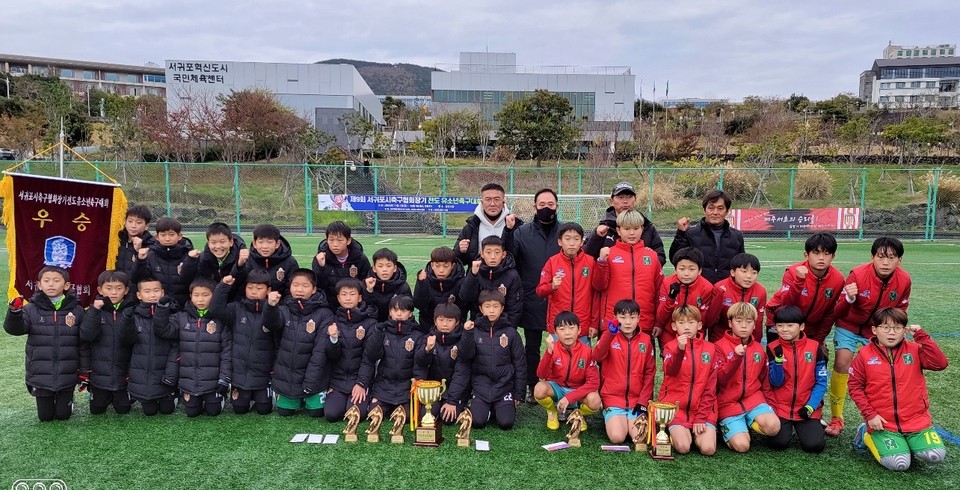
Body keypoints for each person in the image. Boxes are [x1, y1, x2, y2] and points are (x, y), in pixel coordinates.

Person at [826, 237, 911, 437]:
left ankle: (883, 417)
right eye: (881, 257)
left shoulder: (904, 280)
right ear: (872, 257)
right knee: (842, 363)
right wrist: (849, 298)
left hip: (878, 329)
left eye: (891, 257)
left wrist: (892, 331)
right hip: (849, 325)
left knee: (881, 369)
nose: (885, 262)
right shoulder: (858, 274)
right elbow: (838, 311)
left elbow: (901, 311)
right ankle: (837, 418)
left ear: (900, 260)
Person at [849, 307, 948, 471]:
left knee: (935, 455)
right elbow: (854, 386)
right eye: (885, 328)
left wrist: (921, 336)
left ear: (904, 330)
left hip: (916, 420)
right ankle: (865, 434)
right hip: (882, 423)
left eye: (897, 328)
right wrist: (870, 415)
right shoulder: (864, 355)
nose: (891, 333)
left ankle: (907, 442)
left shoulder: (915, 350)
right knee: (899, 464)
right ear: (875, 330)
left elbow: (940, 364)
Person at [4, 266, 86, 421]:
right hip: (40, 373)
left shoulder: (76, 310)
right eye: (46, 281)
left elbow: (83, 343)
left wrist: (83, 371)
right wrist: (14, 313)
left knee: (63, 416)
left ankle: (68, 402)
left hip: (66, 373)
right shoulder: (31, 309)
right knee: (45, 417)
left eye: (56, 281)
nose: (51, 284)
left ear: (66, 285)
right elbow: (16, 329)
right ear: (39, 285)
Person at [506, 189, 561, 403]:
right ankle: (531, 384)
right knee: (531, 346)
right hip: (531, 298)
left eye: (550, 203)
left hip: (560, 299)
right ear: (534, 207)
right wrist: (509, 232)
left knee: (561, 345)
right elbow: (510, 257)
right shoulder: (522, 232)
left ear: (557, 206)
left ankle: (559, 386)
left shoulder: (565, 232)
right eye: (542, 204)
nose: (546, 208)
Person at [156, 277, 232, 417]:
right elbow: (164, 330)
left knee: (213, 412)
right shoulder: (181, 317)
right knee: (191, 413)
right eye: (196, 295)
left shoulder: (220, 319)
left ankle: (218, 399)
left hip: (213, 381)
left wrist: (224, 378)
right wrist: (161, 308)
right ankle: (188, 396)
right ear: (190, 296)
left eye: (205, 295)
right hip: (189, 380)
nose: (200, 300)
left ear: (214, 296)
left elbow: (226, 352)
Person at [212, 270, 281, 415]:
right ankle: (244, 396)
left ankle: (266, 393)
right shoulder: (237, 308)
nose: (254, 292)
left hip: (262, 374)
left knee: (264, 409)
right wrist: (223, 286)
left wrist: (271, 306)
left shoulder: (274, 309)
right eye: (250, 288)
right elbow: (216, 310)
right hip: (240, 373)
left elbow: (275, 324)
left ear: (268, 290)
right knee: (239, 410)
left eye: (259, 288)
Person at [714, 302, 780, 452]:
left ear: (754, 325)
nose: (744, 326)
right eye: (739, 321)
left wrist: (772, 407)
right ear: (730, 323)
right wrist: (735, 358)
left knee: (774, 427)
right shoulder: (718, 347)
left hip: (753, 400)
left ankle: (748, 423)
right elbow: (719, 380)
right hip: (728, 403)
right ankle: (731, 428)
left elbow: (764, 382)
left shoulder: (758, 349)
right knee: (742, 446)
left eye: (749, 322)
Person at [764, 305, 828, 453]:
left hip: (806, 407)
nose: (784, 329)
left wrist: (810, 406)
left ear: (802, 326)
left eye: (790, 325)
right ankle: (784, 424)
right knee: (777, 443)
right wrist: (778, 361)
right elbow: (775, 382)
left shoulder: (815, 347)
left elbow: (821, 382)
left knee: (814, 446)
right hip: (781, 407)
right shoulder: (773, 348)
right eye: (780, 325)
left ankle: (815, 423)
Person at [354, 295, 429, 419]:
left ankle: (403, 404)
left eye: (403, 310)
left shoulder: (418, 335)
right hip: (383, 388)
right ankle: (380, 401)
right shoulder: (382, 331)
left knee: (407, 417)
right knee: (374, 416)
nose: (399, 314)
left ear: (410, 313)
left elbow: (420, 364)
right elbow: (370, 356)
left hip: (406, 389)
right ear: (390, 312)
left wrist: (417, 384)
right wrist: (377, 334)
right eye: (395, 310)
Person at [272, 269, 334, 417]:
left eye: (305, 286)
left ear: (313, 289)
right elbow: (270, 325)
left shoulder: (324, 314)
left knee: (316, 412)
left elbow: (319, 354)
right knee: (285, 412)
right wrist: (270, 306)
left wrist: (310, 384)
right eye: (296, 285)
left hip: (313, 379)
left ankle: (312, 394)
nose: (299, 289)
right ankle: (292, 396)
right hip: (288, 377)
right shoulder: (283, 309)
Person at [592, 300, 656, 444]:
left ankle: (629, 420)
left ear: (639, 318)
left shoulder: (646, 340)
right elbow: (596, 356)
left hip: (636, 401)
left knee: (639, 439)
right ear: (615, 317)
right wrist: (609, 334)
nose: (627, 322)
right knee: (617, 437)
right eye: (622, 317)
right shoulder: (608, 336)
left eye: (632, 317)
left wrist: (643, 403)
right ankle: (614, 418)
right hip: (613, 399)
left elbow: (649, 374)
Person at [659, 306, 719, 456]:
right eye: (681, 323)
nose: (686, 327)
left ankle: (696, 432)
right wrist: (679, 349)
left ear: (699, 325)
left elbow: (711, 387)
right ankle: (678, 433)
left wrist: (701, 417)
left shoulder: (710, 349)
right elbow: (670, 370)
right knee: (683, 447)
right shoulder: (669, 347)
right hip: (676, 409)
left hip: (702, 410)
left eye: (691, 323)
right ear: (674, 326)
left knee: (708, 449)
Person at [593, 210, 663, 338]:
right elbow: (598, 287)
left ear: (642, 229)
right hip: (613, 324)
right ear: (618, 230)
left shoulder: (652, 257)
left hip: (644, 323)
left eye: (636, 228)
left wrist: (658, 322)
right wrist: (601, 261)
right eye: (627, 229)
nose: (632, 233)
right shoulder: (609, 254)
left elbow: (659, 292)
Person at [765, 232, 844, 344]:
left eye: (826, 253)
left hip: (810, 326)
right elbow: (786, 303)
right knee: (779, 358)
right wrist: (798, 281)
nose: (821, 258)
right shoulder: (792, 272)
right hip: (781, 321)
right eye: (816, 253)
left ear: (833, 256)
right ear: (806, 255)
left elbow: (830, 313)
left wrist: (819, 340)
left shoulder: (838, 279)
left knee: (816, 358)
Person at [79, 270, 137, 415]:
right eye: (108, 288)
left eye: (118, 288)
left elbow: (132, 340)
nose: (114, 292)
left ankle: (125, 396)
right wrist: (94, 311)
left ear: (126, 290)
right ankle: (97, 394)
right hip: (99, 374)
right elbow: (87, 336)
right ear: (100, 290)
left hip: (123, 373)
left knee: (123, 409)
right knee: (97, 410)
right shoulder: (93, 311)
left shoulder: (131, 311)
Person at [467, 290, 526, 430]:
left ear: (502, 308)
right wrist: (466, 335)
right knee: (477, 423)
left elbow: (520, 364)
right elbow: (465, 359)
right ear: (481, 308)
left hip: (504, 387)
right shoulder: (474, 331)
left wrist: (519, 393)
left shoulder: (511, 333)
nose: (492, 310)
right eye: (487, 306)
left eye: (496, 306)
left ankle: (498, 408)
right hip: (481, 387)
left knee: (506, 423)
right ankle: (485, 408)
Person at [323, 278, 380, 423]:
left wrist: (362, 384)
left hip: (359, 380)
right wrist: (333, 339)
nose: (348, 298)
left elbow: (369, 358)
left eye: (352, 294)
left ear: (360, 297)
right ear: (338, 298)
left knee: (355, 415)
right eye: (344, 294)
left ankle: (365, 395)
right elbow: (330, 356)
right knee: (331, 414)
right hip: (338, 382)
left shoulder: (370, 323)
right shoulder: (332, 321)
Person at [533, 311, 601, 431]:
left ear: (579, 330)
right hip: (558, 389)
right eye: (562, 329)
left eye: (571, 328)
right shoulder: (553, 349)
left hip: (578, 391)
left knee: (595, 400)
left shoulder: (587, 352)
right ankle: (552, 411)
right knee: (539, 389)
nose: (567, 333)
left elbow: (594, 383)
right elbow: (541, 374)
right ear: (555, 333)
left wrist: (569, 398)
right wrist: (549, 352)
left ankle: (578, 413)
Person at [126, 277, 180, 416]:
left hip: (165, 373)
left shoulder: (173, 314)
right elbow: (125, 342)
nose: (152, 295)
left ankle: (172, 396)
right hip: (142, 373)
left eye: (156, 291)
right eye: (147, 291)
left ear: (162, 292)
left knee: (167, 410)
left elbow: (176, 345)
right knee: (149, 412)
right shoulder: (134, 315)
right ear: (139, 295)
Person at [536, 222, 597, 344]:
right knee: (558, 361)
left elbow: (596, 295)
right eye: (567, 239)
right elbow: (540, 290)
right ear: (560, 242)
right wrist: (552, 286)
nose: (572, 243)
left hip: (582, 325)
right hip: (559, 325)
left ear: (582, 241)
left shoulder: (590, 262)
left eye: (576, 239)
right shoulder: (552, 262)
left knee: (582, 361)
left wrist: (594, 323)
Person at [669, 189, 745, 284]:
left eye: (720, 208)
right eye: (711, 208)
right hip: (699, 290)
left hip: (726, 291)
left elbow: (741, 265)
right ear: (704, 210)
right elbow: (675, 259)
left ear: (727, 211)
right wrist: (680, 234)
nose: (715, 212)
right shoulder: (691, 234)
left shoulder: (737, 236)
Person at [583, 181, 666, 265]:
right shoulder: (603, 229)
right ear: (611, 201)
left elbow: (660, 256)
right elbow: (586, 257)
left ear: (635, 199)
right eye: (620, 197)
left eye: (629, 197)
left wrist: (651, 260)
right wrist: (597, 237)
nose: (625, 201)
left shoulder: (647, 226)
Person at [424, 299, 475, 423]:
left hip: (456, 392)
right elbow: (421, 365)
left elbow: (462, 373)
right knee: (426, 415)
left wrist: (452, 401)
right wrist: (426, 351)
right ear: (435, 321)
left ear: (457, 322)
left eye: (449, 320)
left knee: (448, 419)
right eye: (441, 320)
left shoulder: (463, 341)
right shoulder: (428, 339)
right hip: (435, 390)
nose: (445, 324)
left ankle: (463, 405)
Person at [655, 247, 714, 349]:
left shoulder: (706, 287)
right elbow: (661, 316)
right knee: (671, 362)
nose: (686, 273)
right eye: (682, 269)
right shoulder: (667, 283)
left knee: (693, 363)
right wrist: (671, 298)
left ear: (699, 271)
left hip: (693, 334)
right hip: (669, 332)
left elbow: (703, 319)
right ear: (675, 269)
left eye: (692, 269)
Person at [134, 217, 199, 308]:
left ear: (179, 236)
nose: (167, 239)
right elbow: (139, 279)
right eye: (163, 235)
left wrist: (190, 261)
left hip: (183, 306)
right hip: (157, 306)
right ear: (157, 237)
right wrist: (140, 260)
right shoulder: (150, 255)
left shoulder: (189, 255)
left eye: (171, 235)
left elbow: (193, 280)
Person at [460, 236, 523, 325]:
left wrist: (509, 329)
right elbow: (466, 297)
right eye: (488, 252)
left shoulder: (512, 275)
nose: (493, 257)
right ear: (482, 253)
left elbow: (515, 307)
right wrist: (473, 275)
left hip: (503, 325)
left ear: (503, 254)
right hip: (478, 325)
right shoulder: (475, 270)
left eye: (497, 252)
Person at [704, 253, 766, 342]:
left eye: (754, 273)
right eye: (744, 271)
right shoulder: (719, 287)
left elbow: (758, 321)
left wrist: (754, 344)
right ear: (733, 272)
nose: (749, 276)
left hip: (747, 340)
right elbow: (711, 321)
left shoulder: (760, 291)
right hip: (722, 339)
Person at [454, 183, 520, 266]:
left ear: (503, 201)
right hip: (477, 277)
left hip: (508, 277)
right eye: (488, 199)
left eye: (497, 199)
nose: (492, 204)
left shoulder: (516, 226)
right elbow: (457, 261)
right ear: (482, 202)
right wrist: (460, 251)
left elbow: (522, 258)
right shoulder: (471, 227)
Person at [313, 220, 372, 309]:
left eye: (340, 240)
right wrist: (321, 268)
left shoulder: (360, 259)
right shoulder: (320, 259)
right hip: (329, 307)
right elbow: (318, 288)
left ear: (348, 241)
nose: (335, 244)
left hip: (355, 308)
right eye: (331, 240)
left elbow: (365, 285)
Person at [232, 223, 299, 297]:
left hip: (278, 305)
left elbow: (291, 291)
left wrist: (279, 306)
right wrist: (239, 266)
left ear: (277, 244)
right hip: (251, 305)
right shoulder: (247, 259)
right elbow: (238, 285)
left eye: (269, 242)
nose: (265, 246)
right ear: (254, 243)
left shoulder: (290, 262)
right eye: (260, 242)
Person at [413, 246, 467, 331]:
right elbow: (419, 304)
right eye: (437, 266)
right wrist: (421, 284)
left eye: (445, 266)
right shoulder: (424, 279)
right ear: (432, 265)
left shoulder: (461, 281)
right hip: (428, 327)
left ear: (452, 266)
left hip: (454, 329)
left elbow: (463, 308)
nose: (441, 270)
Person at [197, 222, 247, 303]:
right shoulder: (203, 258)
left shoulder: (242, 256)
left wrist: (239, 265)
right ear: (208, 243)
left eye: (222, 242)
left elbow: (242, 282)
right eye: (213, 242)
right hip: (213, 302)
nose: (218, 246)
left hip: (237, 302)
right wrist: (188, 264)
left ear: (231, 242)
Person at [363, 247, 411, 323]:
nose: (384, 269)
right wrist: (369, 291)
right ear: (374, 268)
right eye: (380, 266)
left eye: (388, 266)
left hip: (395, 325)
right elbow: (364, 308)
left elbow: (408, 310)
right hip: (373, 325)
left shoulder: (403, 286)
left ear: (395, 268)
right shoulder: (367, 284)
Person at [117, 204, 154, 279]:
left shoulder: (152, 244)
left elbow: (147, 273)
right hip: (117, 288)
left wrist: (138, 251)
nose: (133, 226)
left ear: (146, 226)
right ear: (125, 222)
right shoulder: (116, 241)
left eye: (138, 222)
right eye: (130, 221)